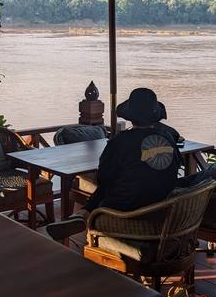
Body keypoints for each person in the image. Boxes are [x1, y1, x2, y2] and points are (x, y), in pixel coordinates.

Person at [46, 87, 182, 241]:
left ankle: (84, 213)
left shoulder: (121, 141)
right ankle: (84, 213)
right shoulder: (169, 138)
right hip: (162, 205)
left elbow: (103, 177)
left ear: (131, 116)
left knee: (107, 187)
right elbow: (176, 166)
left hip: (126, 208)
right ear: (156, 116)